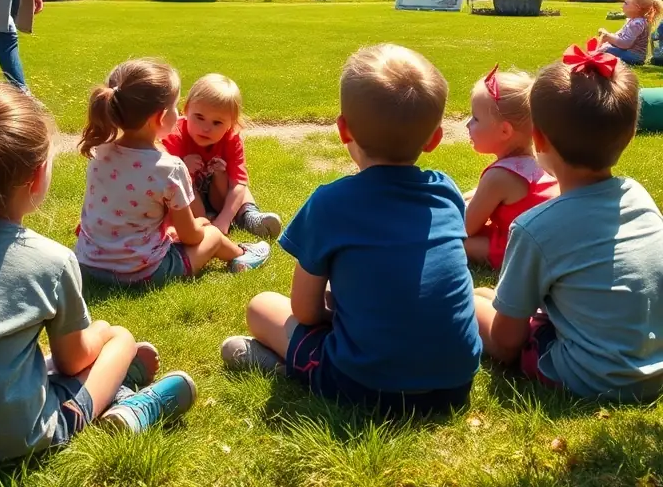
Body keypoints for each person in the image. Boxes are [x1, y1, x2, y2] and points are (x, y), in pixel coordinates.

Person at [0, 82, 197, 466]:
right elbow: (73, 361)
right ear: (37, 177)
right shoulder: (51, 260)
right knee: (119, 339)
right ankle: (132, 406)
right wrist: (102, 331)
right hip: (11, 437)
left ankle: (117, 382)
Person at [221, 44, 481, 417]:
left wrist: (337, 314)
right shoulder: (446, 190)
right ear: (435, 138)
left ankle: (291, 365)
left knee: (261, 307)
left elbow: (305, 311)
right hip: (455, 384)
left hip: (367, 386)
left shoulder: (332, 202)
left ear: (343, 130)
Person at [474, 41, 663, 400]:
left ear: (538, 139)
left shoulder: (536, 227)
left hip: (588, 376)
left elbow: (503, 345)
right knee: (491, 295)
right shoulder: (639, 195)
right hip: (653, 366)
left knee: (473, 301)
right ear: (630, 135)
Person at [76, 60, 271, 286]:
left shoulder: (100, 152)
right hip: (142, 272)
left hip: (88, 264)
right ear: (160, 117)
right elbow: (190, 236)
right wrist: (202, 226)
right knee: (213, 235)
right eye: (176, 106)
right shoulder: (170, 167)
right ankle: (241, 256)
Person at [164, 74, 282, 240]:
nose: (206, 128)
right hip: (185, 201)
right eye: (199, 117)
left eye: (217, 123)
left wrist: (224, 220)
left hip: (219, 194)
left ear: (231, 123)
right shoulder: (174, 134)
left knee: (237, 179)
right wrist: (182, 165)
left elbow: (238, 184)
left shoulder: (231, 138)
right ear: (186, 109)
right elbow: (166, 182)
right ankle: (205, 220)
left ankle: (249, 216)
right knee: (178, 176)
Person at [463, 66, 558, 268]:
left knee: (456, 241)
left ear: (505, 131)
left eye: (476, 119)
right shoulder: (539, 159)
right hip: (546, 242)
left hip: (523, 251)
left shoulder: (499, 177)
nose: (467, 124)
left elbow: (466, 227)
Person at [596, 0, 663, 65]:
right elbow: (621, 35)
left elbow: (626, 44)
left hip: (634, 56)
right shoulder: (634, 21)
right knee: (606, 46)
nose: (622, 6)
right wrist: (609, 36)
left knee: (605, 49)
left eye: (626, 3)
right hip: (630, 54)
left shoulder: (637, 24)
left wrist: (609, 37)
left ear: (637, 8)